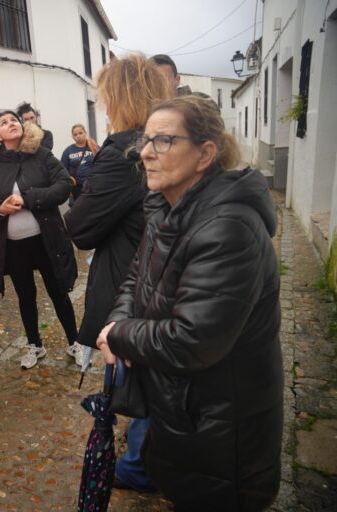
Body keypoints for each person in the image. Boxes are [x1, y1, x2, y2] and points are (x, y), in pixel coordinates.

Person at [96, 95, 283, 511]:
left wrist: (119, 335)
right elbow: (136, 277)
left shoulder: (227, 228)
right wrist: (120, 319)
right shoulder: (167, 206)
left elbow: (191, 339)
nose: (145, 152)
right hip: (182, 410)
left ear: (205, 154)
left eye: (163, 141)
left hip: (220, 423)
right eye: (146, 140)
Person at [63, 54, 171, 491]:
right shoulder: (164, 141)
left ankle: (138, 466)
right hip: (160, 277)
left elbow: (81, 227)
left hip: (132, 285)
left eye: (107, 98)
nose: (103, 108)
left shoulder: (125, 149)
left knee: (138, 380)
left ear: (121, 99)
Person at [0, 111, 77, 369]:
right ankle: (35, 344)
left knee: (58, 291)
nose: (11, 123)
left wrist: (29, 199)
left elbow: (64, 184)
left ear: (22, 126)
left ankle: (76, 342)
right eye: (4, 122)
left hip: (45, 239)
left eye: (14, 120)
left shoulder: (40, 154)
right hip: (13, 245)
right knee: (25, 295)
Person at [60, 123, 98, 200]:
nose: (78, 136)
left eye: (80, 133)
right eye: (75, 134)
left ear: (85, 133)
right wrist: (68, 180)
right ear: (73, 137)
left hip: (94, 185)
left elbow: (102, 163)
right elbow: (62, 169)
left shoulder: (93, 147)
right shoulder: (68, 151)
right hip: (77, 188)